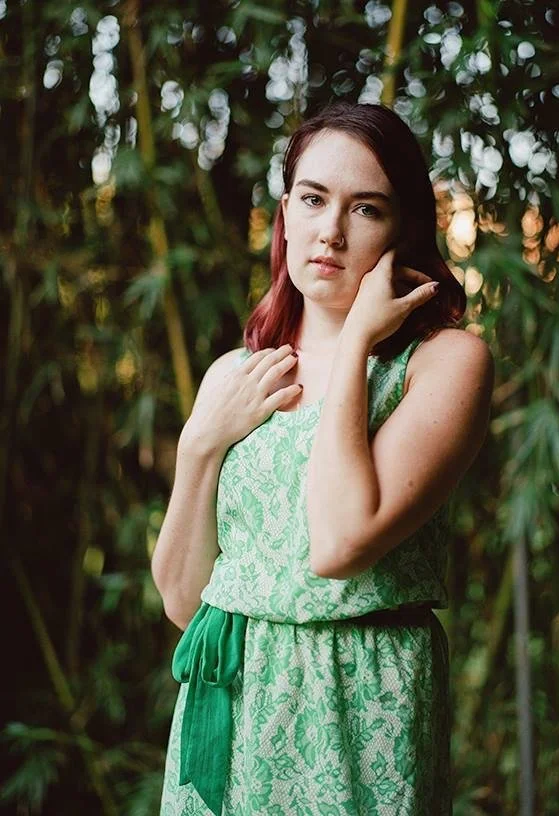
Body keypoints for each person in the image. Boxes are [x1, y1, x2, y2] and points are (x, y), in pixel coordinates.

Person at [153, 100, 494, 816]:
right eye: (313, 199)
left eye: (366, 209)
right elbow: (188, 605)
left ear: (405, 229)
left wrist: (357, 344)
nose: (331, 232)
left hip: (359, 703)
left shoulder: (444, 364)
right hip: (234, 696)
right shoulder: (236, 378)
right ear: (285, 211)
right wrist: (199, 444)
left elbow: (340, 542)